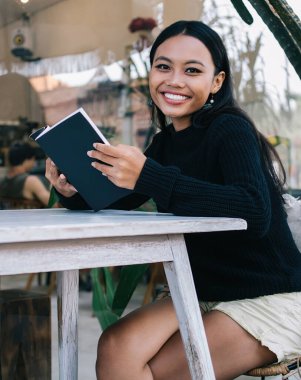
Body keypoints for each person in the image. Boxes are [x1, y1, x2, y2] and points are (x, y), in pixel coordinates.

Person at [45, 20, 301, 380]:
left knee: (163, 371)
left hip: (271, 296)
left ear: (217, 82)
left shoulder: (230, 128)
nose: (174, 80)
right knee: (115, 346)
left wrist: (148, 174)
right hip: (202, 290)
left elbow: (253, 209)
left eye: (192, 70)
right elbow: (120, 198)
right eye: (163, 66)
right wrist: (73, 191)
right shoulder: (166, 144)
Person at [0, 141, 51, 207]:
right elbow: (54, 205)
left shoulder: (2, 182)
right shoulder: (31, 181)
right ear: (27, 160)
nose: (33, 163)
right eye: (33, 159)